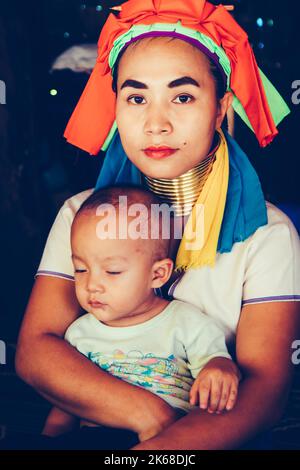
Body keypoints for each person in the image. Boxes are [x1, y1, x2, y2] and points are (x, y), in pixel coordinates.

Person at [15, 0, 300, 450]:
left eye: (183, 96)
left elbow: (265, 393)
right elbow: (36, 353)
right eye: (136, 97)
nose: (156, 123)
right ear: (116, 108)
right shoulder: (78, 213)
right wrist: (150, 414)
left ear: (221, 107)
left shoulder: (268, 234)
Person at [42, 185, 239, 444]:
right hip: (92, 436)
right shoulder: (79, 334)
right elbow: (66, 403)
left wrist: (221, 368)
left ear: (157, 274)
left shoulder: (185, 322)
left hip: (167, 438)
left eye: (112, 272)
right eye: (80, 269)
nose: (92, 285)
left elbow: (216, 363)